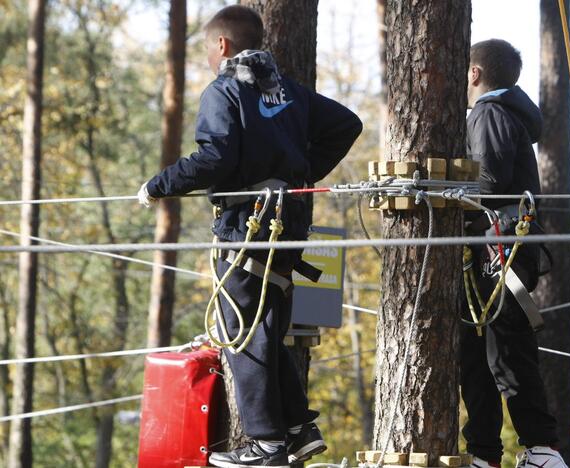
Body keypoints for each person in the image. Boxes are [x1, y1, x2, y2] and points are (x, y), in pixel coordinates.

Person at [137, 5, 362, 468]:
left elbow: (214, 156)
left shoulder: (225, 91)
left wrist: (158, 186)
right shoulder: (290, 94)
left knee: (240, 334)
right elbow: (347, 124)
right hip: (288, 226)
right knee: (265, 330)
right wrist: (295, 176)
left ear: (221, 46)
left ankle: (266, 444)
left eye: (205, 49)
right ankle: (298, 429)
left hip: (246, 226)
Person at [461, 39, 567, 468]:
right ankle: (484, 453)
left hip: (501, 245)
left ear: (474, 73)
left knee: (507, 346)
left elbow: (489, 181)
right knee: (476, 352)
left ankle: (541, 448)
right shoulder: (502, 114)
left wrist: (444, 192)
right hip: (493, 246)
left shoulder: (489, 113)